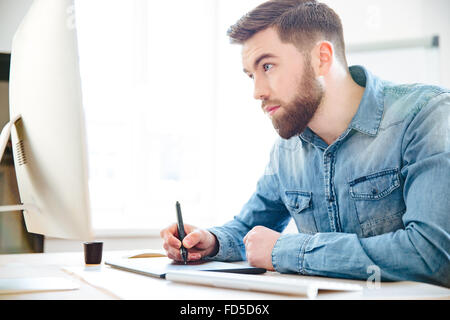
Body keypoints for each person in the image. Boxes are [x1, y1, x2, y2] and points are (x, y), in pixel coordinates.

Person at [160, 0, 450, 287]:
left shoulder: (425, 116)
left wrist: (287, 251)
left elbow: (432, 254)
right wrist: (209, 242)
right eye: (251, 75)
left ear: (321, 58)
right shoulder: (287, 150)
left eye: (268, 66)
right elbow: (250, 231)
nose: (257, 92)